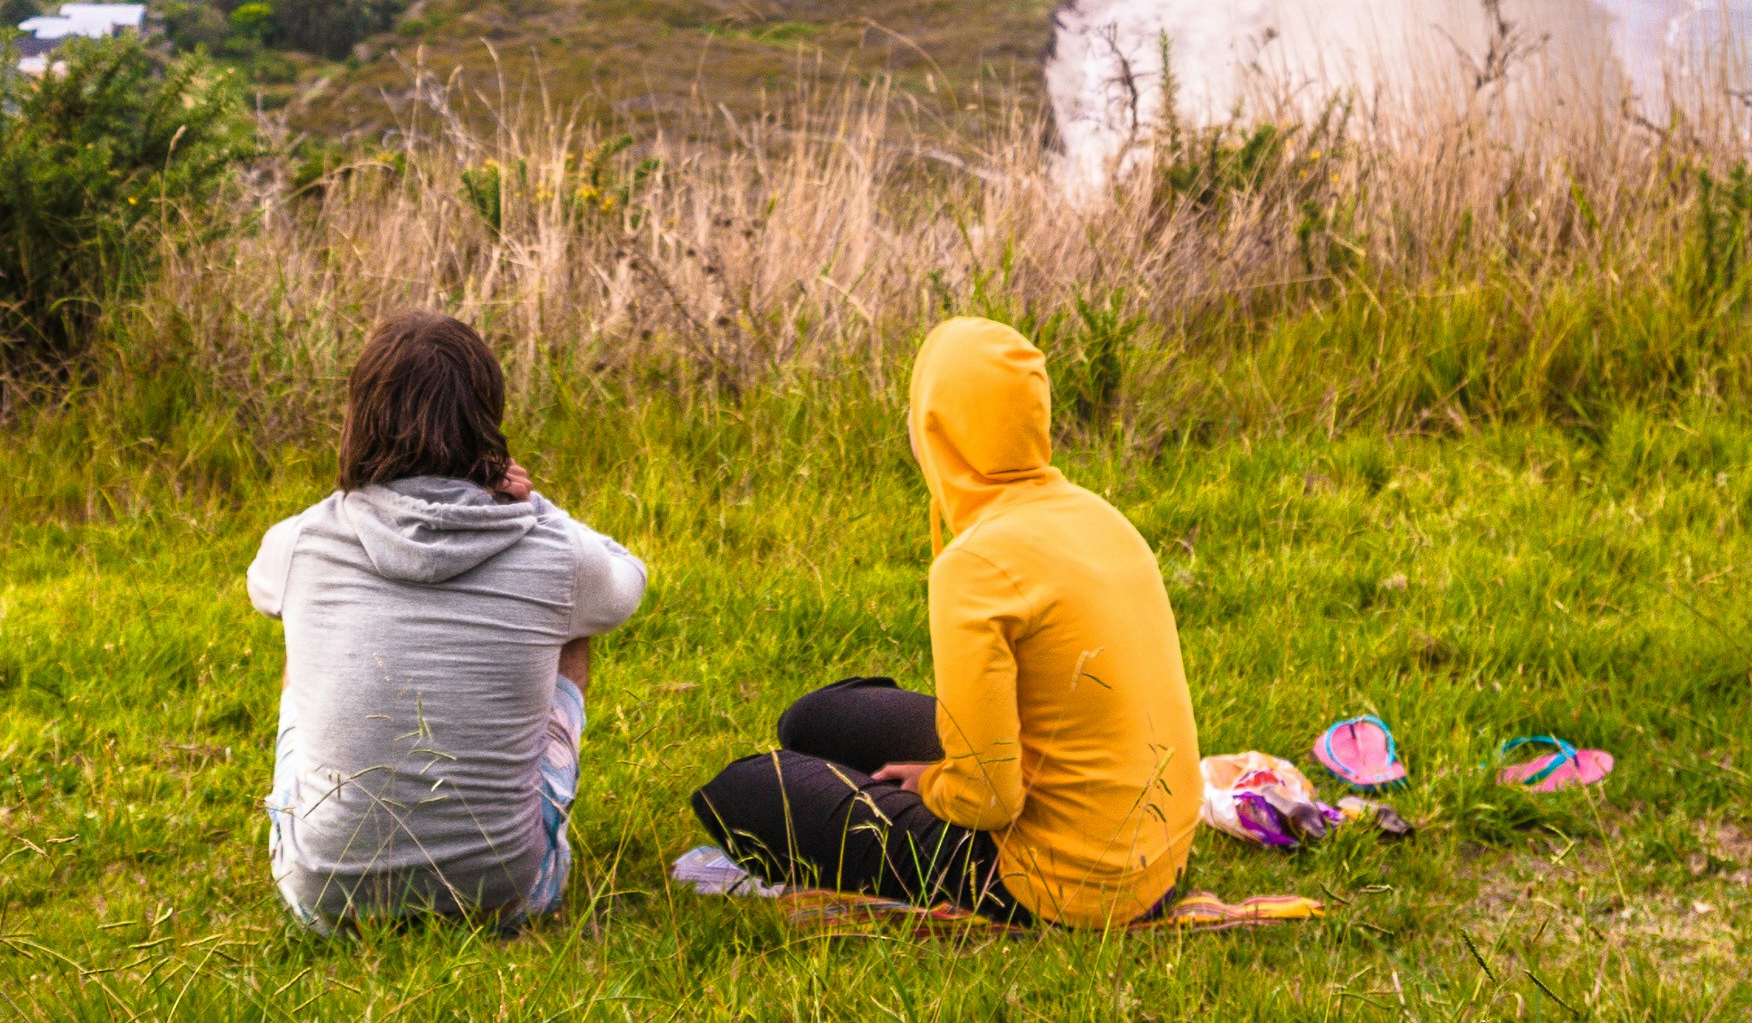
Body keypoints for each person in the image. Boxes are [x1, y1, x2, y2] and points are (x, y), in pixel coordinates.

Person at [690, 316, 1202, 926]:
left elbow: (988, 799)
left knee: (742, 790)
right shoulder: (1097, 515)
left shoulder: (976, 563)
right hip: (1153, 852)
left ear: (936, 424)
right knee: (814, 719)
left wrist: (933, 787)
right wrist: (948, 775)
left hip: (1057, 882)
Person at [251, 309, 647, 928]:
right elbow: (626, 583)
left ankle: (336, 836)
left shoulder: (302, 540)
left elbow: (260, 589)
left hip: (324, 899)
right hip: (504, 897)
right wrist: (537, 507)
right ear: (486, 418)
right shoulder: (550, 550)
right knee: (576, 621)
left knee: (301, 626)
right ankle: (498, 835)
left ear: (359, 416)